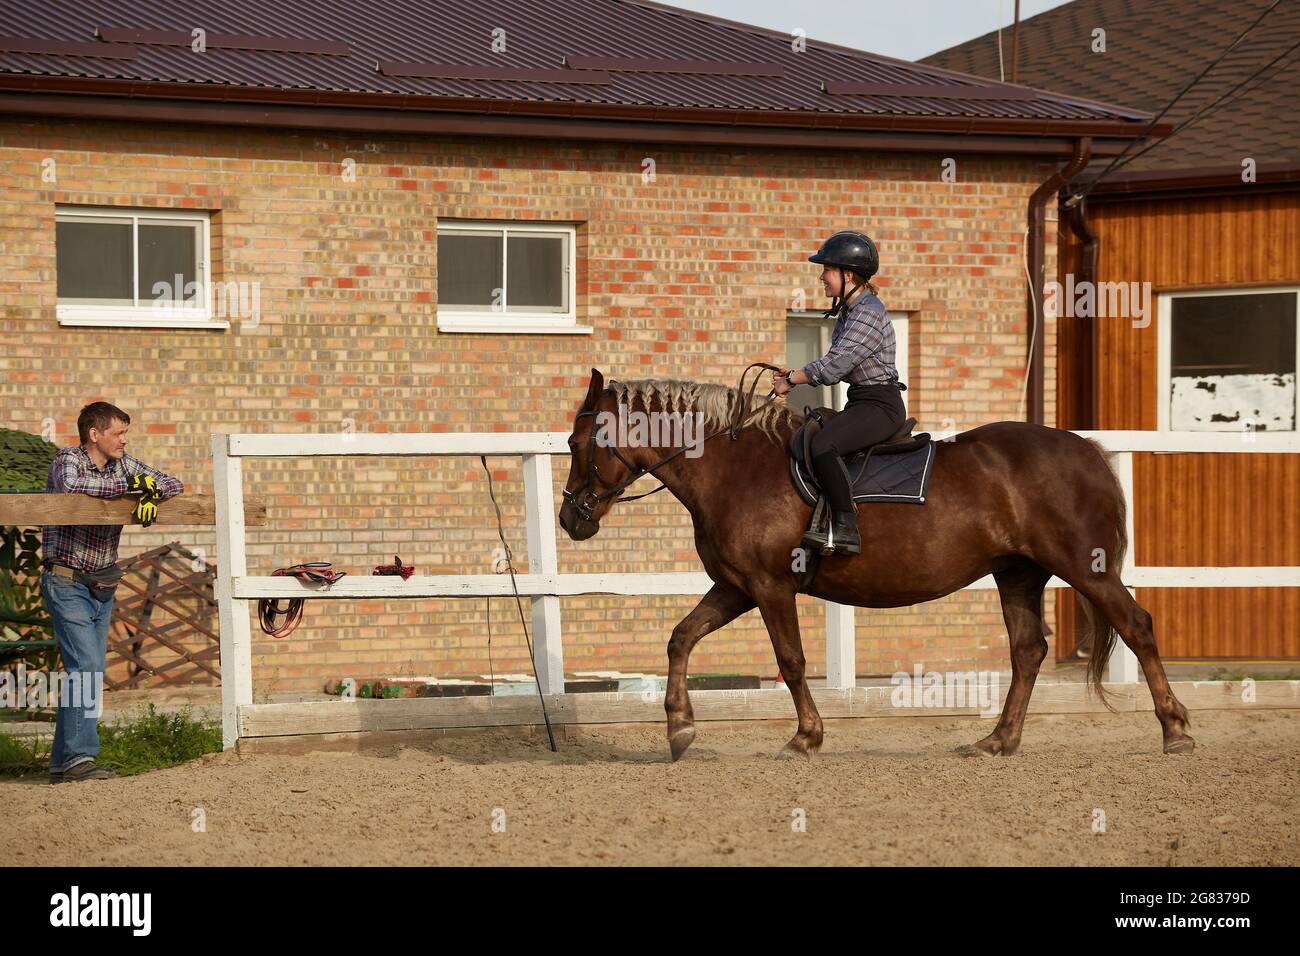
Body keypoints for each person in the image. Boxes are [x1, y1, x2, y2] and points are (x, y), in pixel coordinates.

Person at [41, 402, 183, 784]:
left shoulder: (124, 464)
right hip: (66, 581)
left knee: (88, 669)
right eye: (118, 433)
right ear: (94, 434)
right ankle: (80, 758)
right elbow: (75, 488)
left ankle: (63, 762)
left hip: (104, 584)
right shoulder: (67, 460)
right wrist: (132, 488)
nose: (125, 440)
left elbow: (173, 483)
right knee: (85, 668)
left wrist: (150, 494)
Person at [773, 230, 906, 555]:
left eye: (827, 270)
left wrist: (793, 377)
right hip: (861, 402)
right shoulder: (850, 311)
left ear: (848, 275)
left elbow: (835, 366)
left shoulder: (867, 313)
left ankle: (846, 528)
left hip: (880, 407)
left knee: (823, 445)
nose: (822, 277)